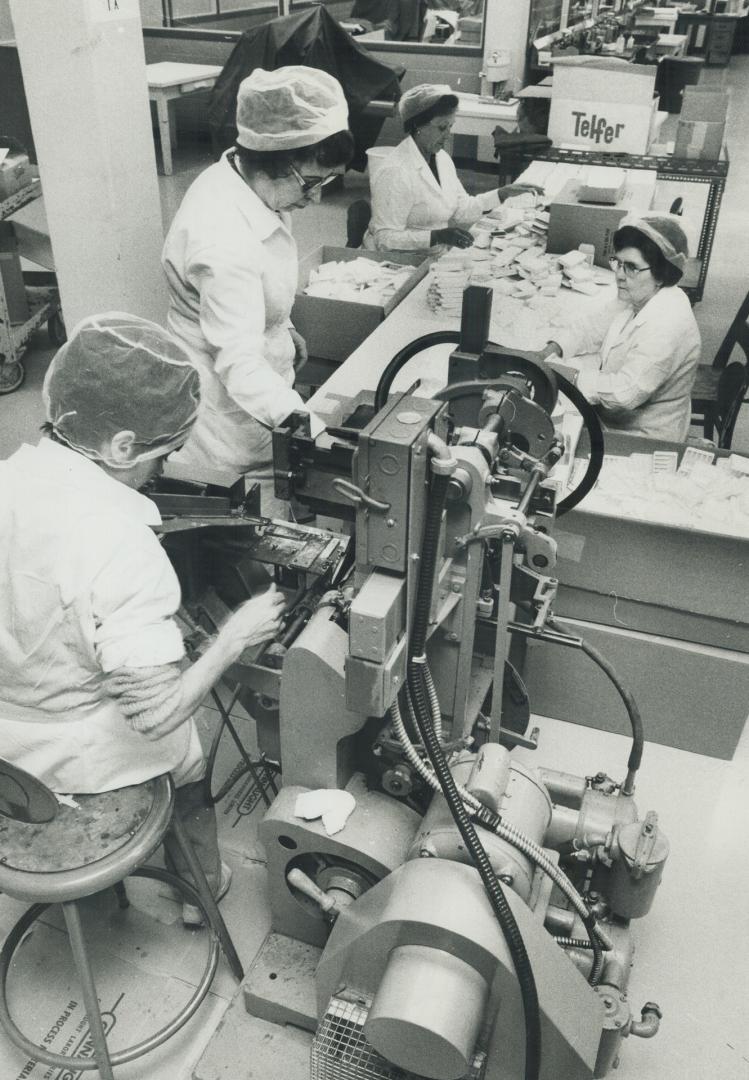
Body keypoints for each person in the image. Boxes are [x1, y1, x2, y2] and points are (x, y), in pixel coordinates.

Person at [0, 314, 286, 924]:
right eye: (162, 456)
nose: (160, 470)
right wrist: (235, 636)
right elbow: (155, 714)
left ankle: (102, 899)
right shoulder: (117, 540)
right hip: (69, 752)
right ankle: (198, 888)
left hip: (6, 735)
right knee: (187, 749)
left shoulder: (11, 476)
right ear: (121, 446)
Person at [162, 66, 354, 503]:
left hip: (254, 367)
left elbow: (261, 274)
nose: (316, 197)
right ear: (274, 160)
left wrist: (282, 326)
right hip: (224, 404)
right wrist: (318, 435)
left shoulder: (247, 176)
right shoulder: (222, 238)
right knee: (251, 506)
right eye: (312, 182)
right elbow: (239, 364)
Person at [540, 215, 701, 442]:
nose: (619, 275)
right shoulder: (639, 293)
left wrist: (565, 375)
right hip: (614, 419)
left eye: (632, 267)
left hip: (642, 436)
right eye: (618, 262)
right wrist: (551, 350)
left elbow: (625, 392)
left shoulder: (668, 324)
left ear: (662, 273)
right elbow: (590, 328)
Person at [363, 83, 542, 252]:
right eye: (442, 127)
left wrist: (502, 193)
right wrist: (436, 237)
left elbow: (461, 209)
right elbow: (385, 240)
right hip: (400, 260)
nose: (448, 135)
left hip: (433, 253)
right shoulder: (396, 171)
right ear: (417, 125)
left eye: (450, 126)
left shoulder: (441, 158)